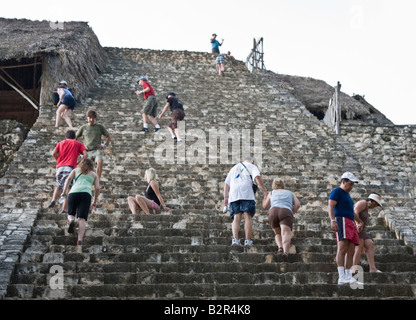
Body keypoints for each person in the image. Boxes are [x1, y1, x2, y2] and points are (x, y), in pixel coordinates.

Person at [224, 156, 267, 246]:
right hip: (246, 192)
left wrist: (226, 198)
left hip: (234, 194)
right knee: (247, 216)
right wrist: (264, 191)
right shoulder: (252, 166)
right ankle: (247, 240)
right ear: (252, 162)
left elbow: (226, 184)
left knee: (236, 217)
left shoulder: (234, 168)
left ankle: (235, 240)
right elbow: (257, 178)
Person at [328, 172, 361, 285]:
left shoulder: (347, 195)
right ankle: (341, 276)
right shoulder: (337, 191)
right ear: (343, 181)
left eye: (353, 184)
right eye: (350, 184)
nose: (351, 187)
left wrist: (359, 221)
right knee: (342, 248)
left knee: (351, 250)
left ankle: (348, 276)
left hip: (350, 222)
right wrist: (333, 220)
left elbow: (351, 211)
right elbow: (330, 205)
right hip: (341, 220)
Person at [61, 158, 100, 248]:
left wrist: (64, 192)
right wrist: (94, 201)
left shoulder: (75, 170)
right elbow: (97, 188)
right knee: (82, 219)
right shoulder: (94, 174)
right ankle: (79, 240)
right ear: (91, 165)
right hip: (86, 194)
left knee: (70, 214)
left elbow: (68, 179)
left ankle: (71, 221)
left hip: (73, 193)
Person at [47, 130, 88, 213]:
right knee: (69, 188)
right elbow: (85, 155)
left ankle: (54, 200)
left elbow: (53, 153)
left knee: (59, 185)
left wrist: (58, 161)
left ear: (66, 137)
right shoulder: (77, 143)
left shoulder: (61, 143)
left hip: (60, 167)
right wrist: (78, 163)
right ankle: (64, 208)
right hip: (70, 167)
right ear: (75, 137)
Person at [262, 178, 301, 261]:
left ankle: (280, 247)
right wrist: (292, 212)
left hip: (273, 211)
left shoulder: (271, 193)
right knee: (286, 232)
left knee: (277, 232)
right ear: (283, 185)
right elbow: (297, 204)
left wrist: (264, 198)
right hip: (286, 211)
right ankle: (286, 252)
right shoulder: (290, 193)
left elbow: (265, 206)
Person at [76, 109, 111, 182]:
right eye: (90, 117)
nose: (91, 119)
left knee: (100, 161)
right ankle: (85, 180)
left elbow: (108, 136)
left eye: (93, 118)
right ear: (87, 118)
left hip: (97, 149)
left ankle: (97, 180)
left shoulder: (99, 127)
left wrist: (105, 145)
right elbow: (75, 137)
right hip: (87, 150)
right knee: (85, 167)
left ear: (95, 118)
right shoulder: (83, 127)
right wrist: (79, 148)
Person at [352, 193, 383, 273]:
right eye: (376, 204)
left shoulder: (366, 206)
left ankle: (372, 268)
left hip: (361, 229)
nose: (375, 206)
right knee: (359, 247)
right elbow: (355, 212)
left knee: (370, 244)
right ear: (373, 202)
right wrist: (358, 224)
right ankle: (354, 269)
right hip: (356, 228)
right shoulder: (362, 203)